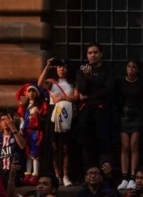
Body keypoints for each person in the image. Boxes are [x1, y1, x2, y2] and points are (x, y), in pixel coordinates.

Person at [39, 57, 78, 187]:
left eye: (64, 67)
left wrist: (63, 97)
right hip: (53, 113)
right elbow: (39, 84)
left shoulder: (73, 83)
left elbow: (76, 97)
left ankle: (66, 174)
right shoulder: (51, 82)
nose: (62, 69)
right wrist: (47, 66)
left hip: (67, 114)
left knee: (66, 147)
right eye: (59, 67)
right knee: (55, 147)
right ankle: (57, 175)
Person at [75, 42, 115, 169]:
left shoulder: (107, 70)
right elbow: (82, 90)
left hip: (102, 112)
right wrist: (87, 77)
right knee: (87, 145)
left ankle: (105, 175)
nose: (93, 55)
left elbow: (108, 90)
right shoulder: (82, 71)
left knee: (104, 144)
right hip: (86, 113)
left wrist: (89, 97)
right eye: (90, 53)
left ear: (101, 54)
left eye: (96, 52)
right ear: (87, 55)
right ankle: (89, 174)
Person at [115, 59, 143, 190]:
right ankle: (124, 177)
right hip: (124, 116)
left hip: (137, 116)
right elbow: (117, 99)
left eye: (134, 67)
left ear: (138, 69)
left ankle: (133, 177)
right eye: (129, 66)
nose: (131, 69)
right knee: (124, 147)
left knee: (134, 146)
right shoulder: (121, 82)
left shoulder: (141, 83)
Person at [0, 111, 26, 186]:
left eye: (7, 119)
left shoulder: (18, 134)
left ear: (12, 120)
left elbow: (22, 146)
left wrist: (13, 127)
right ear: (0, 123)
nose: (5, 122)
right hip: (1, 173)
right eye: (2, 120)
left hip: (15, 174)